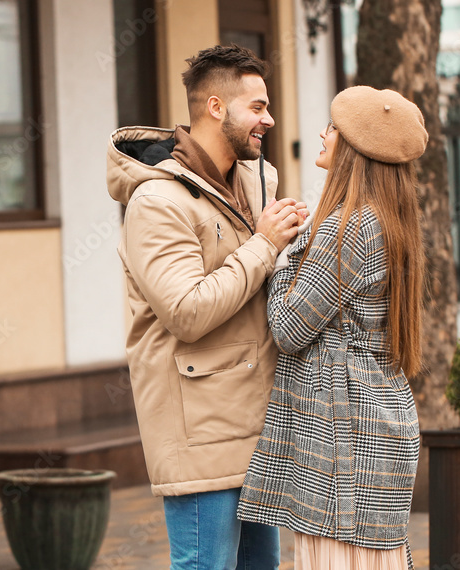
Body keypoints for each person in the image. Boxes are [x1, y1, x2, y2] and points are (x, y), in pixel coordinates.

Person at [106, 44, 307, 570]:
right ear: (216, 108)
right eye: (258, 106)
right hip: (200, 433)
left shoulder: (256, 183)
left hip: (258, 425)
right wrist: (264, 246)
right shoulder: (157, 203)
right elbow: (186, 312)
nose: (270, 118)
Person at [238, 86, 428, 570]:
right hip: (374, 425)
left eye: (333, 129)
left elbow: (286, 328)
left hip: (345, 444)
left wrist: (277, 251)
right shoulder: (387, 219)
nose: (323, 134)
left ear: (353, 149)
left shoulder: (349, 228)